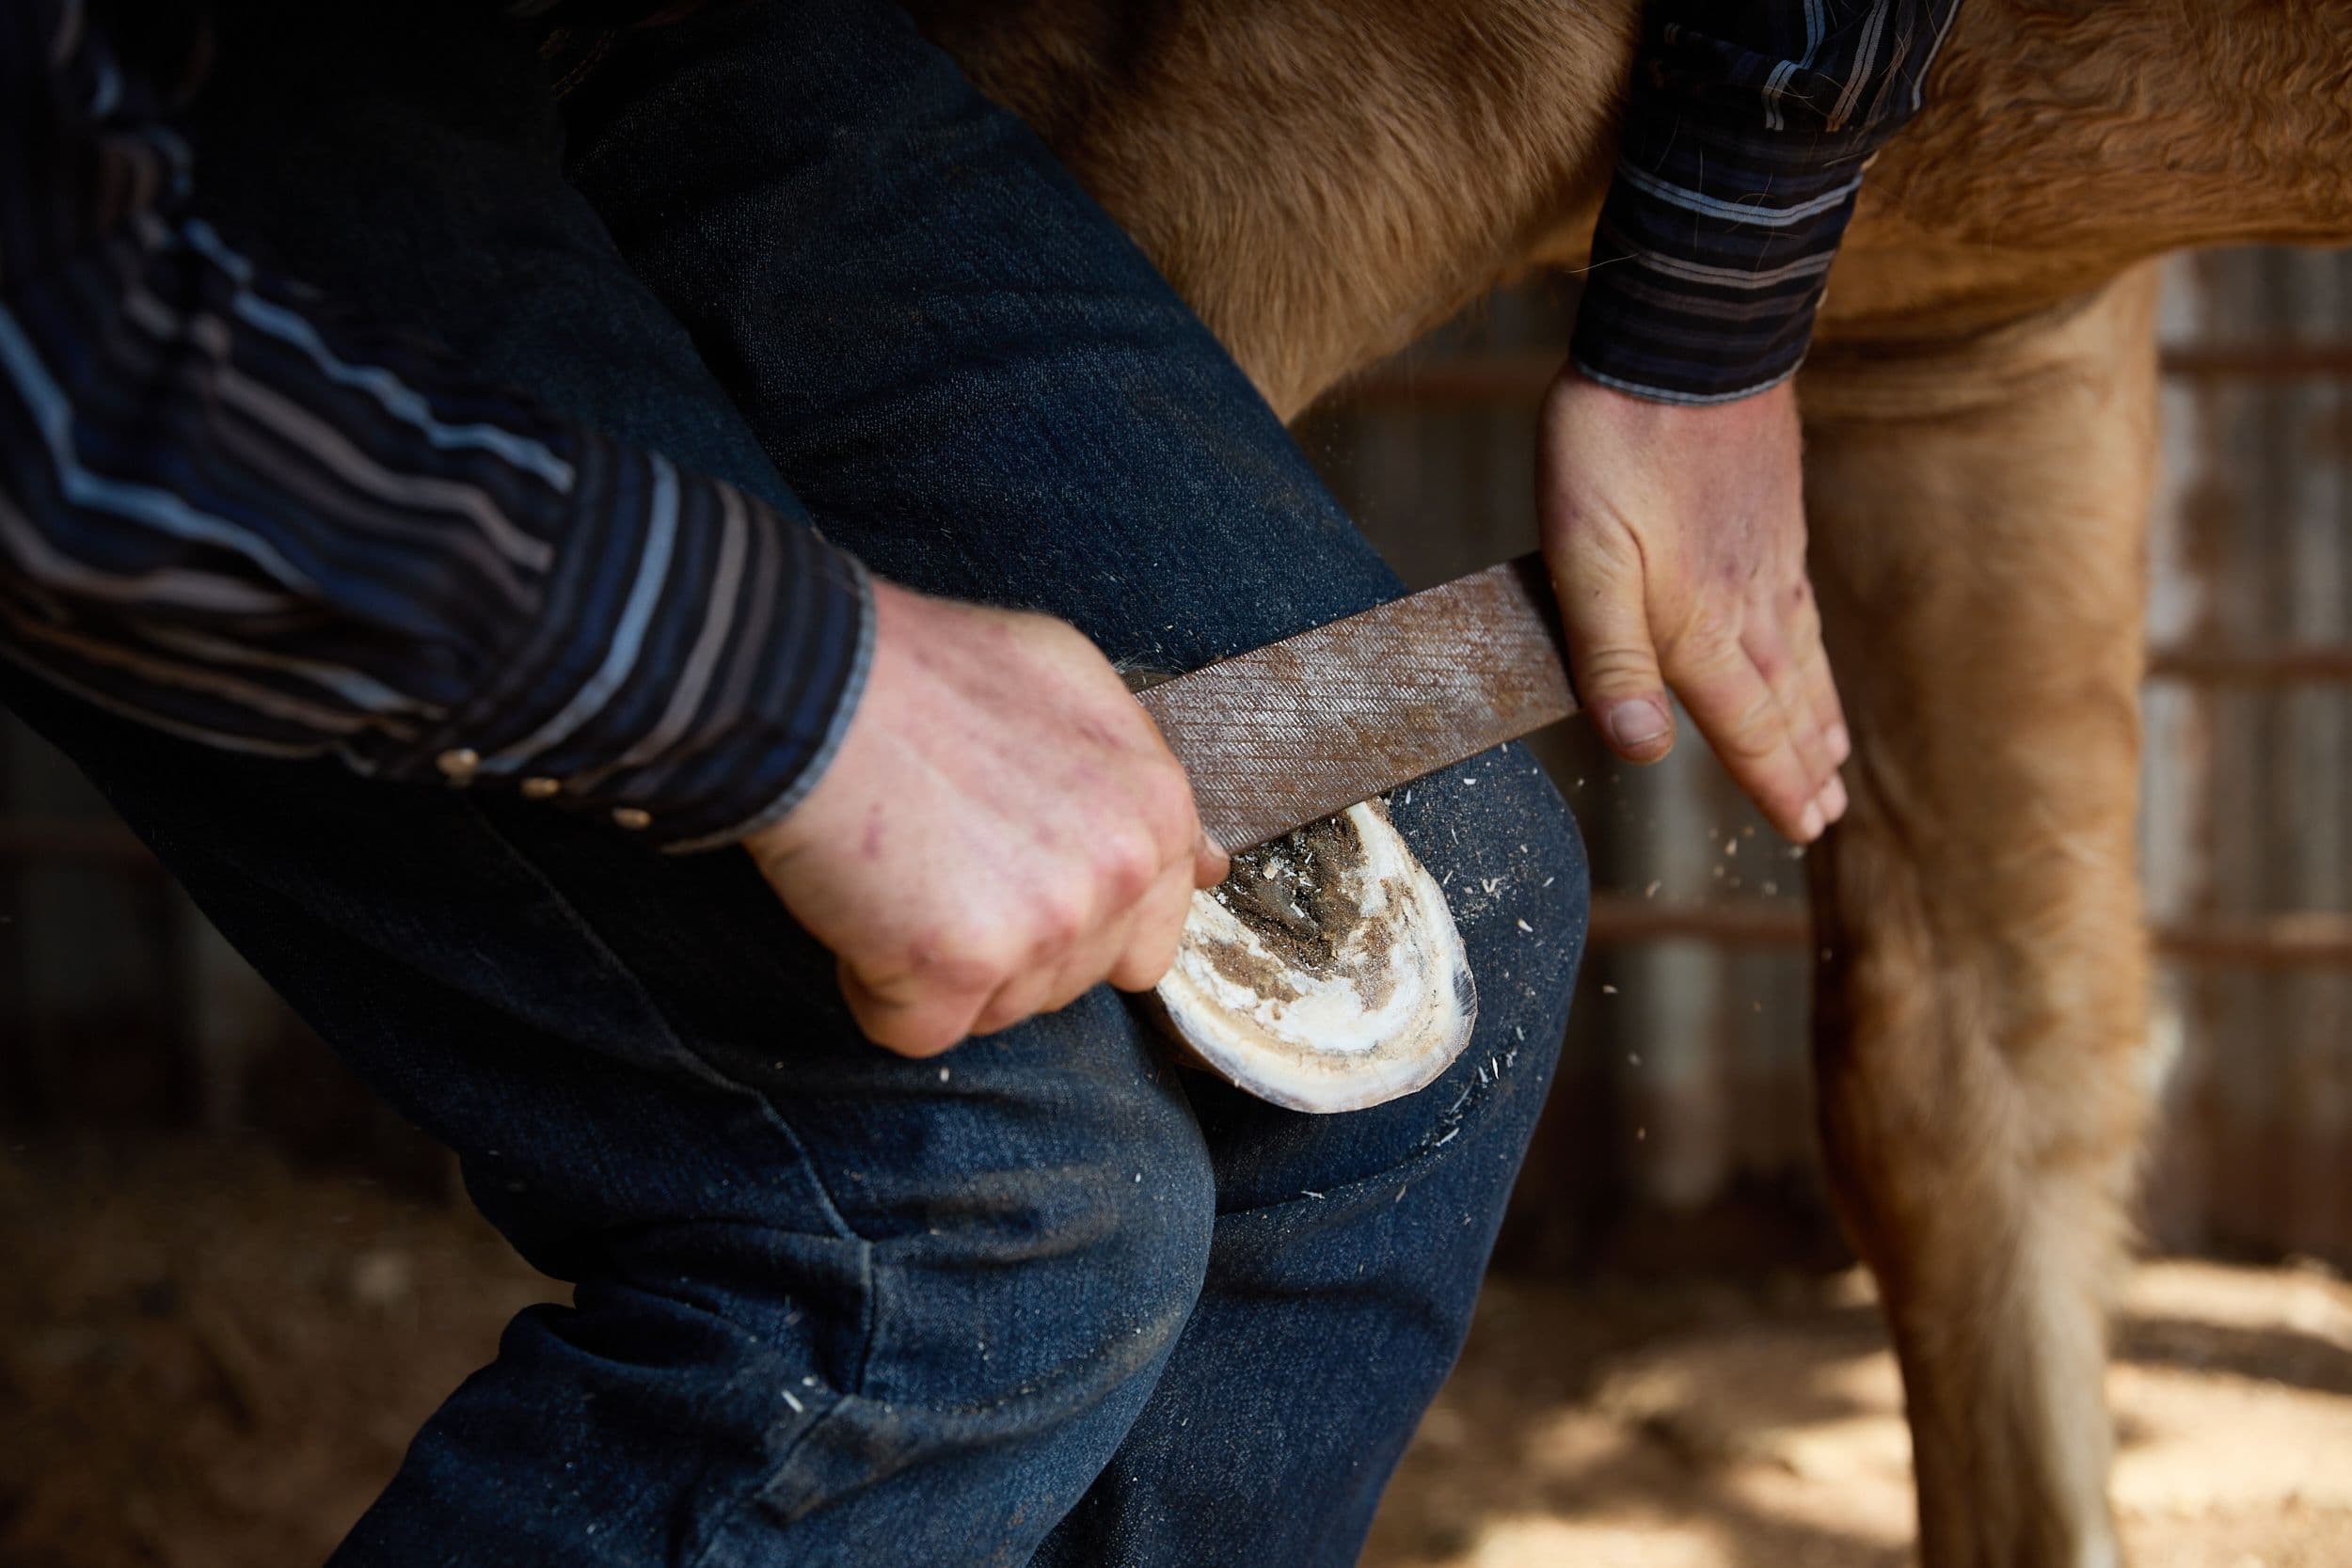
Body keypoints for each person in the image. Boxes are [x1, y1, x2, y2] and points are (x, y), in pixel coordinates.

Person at [0, 0, 1953, 1561]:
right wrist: (790, 689)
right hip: (123, 147)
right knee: (963, 1216)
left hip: (690, 32)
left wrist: (1712, 292)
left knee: (1432, 950)